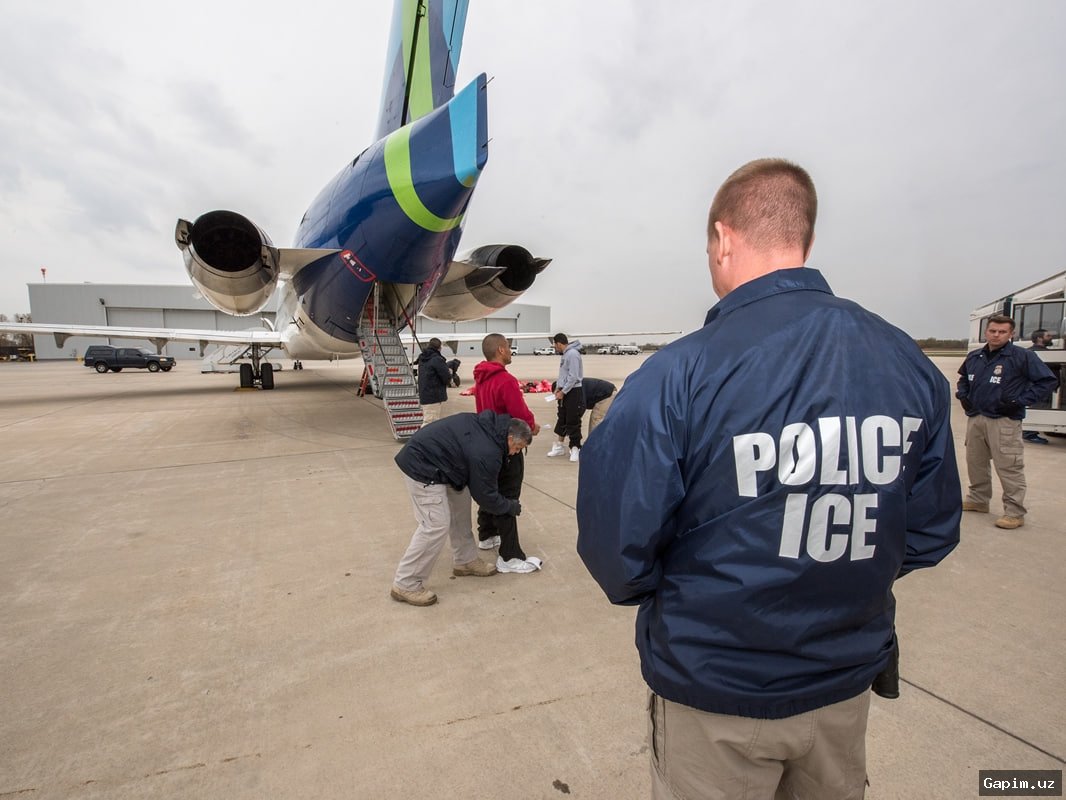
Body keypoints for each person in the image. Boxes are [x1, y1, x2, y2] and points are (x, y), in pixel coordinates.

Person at [575, 158, 962, 799]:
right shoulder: (909, 364)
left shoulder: (678, 374)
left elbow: (618, 550)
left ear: (724, 239)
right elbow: (927, 533)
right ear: (804, 239)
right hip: (843, 682)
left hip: (718, 692)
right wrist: (835, 577)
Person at [391, 411, 532, 606]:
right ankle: (405, 583)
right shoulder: (488, 451)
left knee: (460, 507)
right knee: (435, 526)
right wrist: (510, 506)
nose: (515, 453)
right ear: (509, 437)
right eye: (517, 447)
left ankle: (465, 561)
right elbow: (486, 497)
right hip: (422, 466)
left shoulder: (493, 429)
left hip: (447, 467)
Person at [957, 315, 1058, 527]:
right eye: (993, 331)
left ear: (1011, 334)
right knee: (976, 462)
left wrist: (1020, 401)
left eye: (1002, 332)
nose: (996, 335)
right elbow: (963, 379)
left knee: (1009, 466)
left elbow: (1047, 381)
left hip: (1004, 420)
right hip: (976, 418)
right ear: (986, 332)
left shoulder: (1022, 357)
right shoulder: (975, 356)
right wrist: (963, 396)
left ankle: (1014, 511)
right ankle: (978, 499)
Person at [472, 333, 544, 574]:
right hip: (508, 445)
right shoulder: (505, 380)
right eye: (509, 348)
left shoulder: (481, 378)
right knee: (508, 496)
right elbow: (519, 413)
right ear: (501, 350)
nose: (511, 351)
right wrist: (532, 426)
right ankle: (510, 556)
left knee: (489, 489)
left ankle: (487, 534)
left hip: (488, 442)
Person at [546, 333, 584, 462]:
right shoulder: (566, 355)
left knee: (573, 420)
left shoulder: (572, 354)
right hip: (565, 390)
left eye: (555, 346)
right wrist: (558, 387)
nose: (555, 348)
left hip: (573, 391)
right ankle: (560, 446)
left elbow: (573, 376)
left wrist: (564, 391)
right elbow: (564, 374)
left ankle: (575, 448)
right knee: (562, 418)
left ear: (559, 343)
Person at [1023, 330, 1054, 444]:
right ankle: (1029, 433)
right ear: (1040, 338)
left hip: (1042, 387)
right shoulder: (1034, 353)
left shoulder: (1034, 351)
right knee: (1037, 407)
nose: (1051, 337)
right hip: (1037, 387)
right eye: (1048, 335)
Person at [415, 338, 451, 424]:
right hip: (433, 395)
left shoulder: (422, 358)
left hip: (424, 393)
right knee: (430, 422)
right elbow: (446, 376)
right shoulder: (437, 359)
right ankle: (421, 437)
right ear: (439, 348)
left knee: (430, 419)